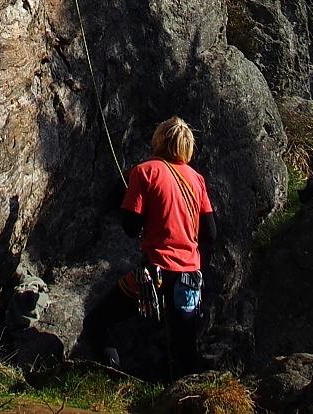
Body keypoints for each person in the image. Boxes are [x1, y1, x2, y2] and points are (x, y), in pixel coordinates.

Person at [78, 117, 216, 377]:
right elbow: (211, 232)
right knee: (187, 350)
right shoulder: (197, 179)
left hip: (155, 274)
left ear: (161, 141)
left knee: (95, 323)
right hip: (189, 277)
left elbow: (131, 226)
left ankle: (112, 378)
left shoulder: (145, 171)